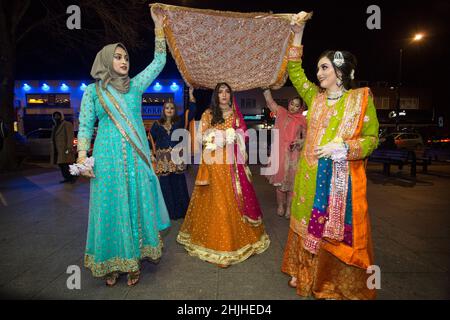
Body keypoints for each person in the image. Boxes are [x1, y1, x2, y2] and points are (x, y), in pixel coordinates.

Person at [281, 16, 379, 299]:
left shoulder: (360, 100)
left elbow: (372, 140)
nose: (319, 73)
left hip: (339, 182)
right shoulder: (316, 98)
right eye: (319, 68)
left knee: (330, 230)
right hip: (309, 177)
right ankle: (304, 272)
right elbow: (295, 71)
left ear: (339, 71)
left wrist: (346, 149)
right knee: (304, 224)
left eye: (324, 67)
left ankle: (329, 278)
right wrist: (298, 34)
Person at [74, 8, 170, 286]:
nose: (124, 61)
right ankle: (111, 262)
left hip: (137, 160)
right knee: (111, 208)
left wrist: (159, 28)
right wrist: (83, 157)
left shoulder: (136, 86)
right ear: (105, 60)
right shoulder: (93, 92)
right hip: (107, 160)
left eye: (126, 57)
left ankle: (134, 261)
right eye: (117, 56)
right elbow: (84, 126)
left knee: (136, 205)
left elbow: (159, 61)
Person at [177, 82, 270, 267]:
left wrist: (234, 135)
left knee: (230, 201)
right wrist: (213, 135)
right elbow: (201, 135)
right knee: (215, 201)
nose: (224, 95)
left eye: (227, 91)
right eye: (220, 92)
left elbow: (244, 134)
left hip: (232, 166)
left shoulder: (236, 115)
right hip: (212, 163)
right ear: (216, 95)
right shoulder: (208, 114)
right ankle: (216, 243)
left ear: (231, 95)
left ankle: (229, 244)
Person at [148, 87, 196, 219]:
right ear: (163, 110)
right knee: (165, 187)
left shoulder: (179, 122)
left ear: (175, 110)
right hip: (163, 161)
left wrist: (191, 95)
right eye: (167, 108)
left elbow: (191, 112)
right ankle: (168, 214)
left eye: (172, 108)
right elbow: (150, 140)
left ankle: (182, 213)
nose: (169, 110)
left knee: (179, 185)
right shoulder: (156, 124)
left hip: (177, 160)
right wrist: (151, 154)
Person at [262, 89, 306, 219]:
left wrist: (300, 141)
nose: (293, 107)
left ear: (300, 107)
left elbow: (307, 137)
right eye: (292, 104)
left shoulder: (302, 120)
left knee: (291, 184)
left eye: (297, 105)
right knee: (280, 183)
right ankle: (280, 206)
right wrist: (266, 89)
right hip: (280, 153)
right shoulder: (281, 112)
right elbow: (270, 102)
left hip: (294, 154)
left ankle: (289, 208)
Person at [51, 111, 76, 184]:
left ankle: (72, 178)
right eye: (55, 116)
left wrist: (68, 148)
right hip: (57, 149)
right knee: (61, 164)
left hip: (65, 149)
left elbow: (70, 137)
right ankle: (67, 178)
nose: (56, 117)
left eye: (58, 116)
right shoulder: (55, 126)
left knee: (66, 164)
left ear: (61, 116)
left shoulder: (67, 124)